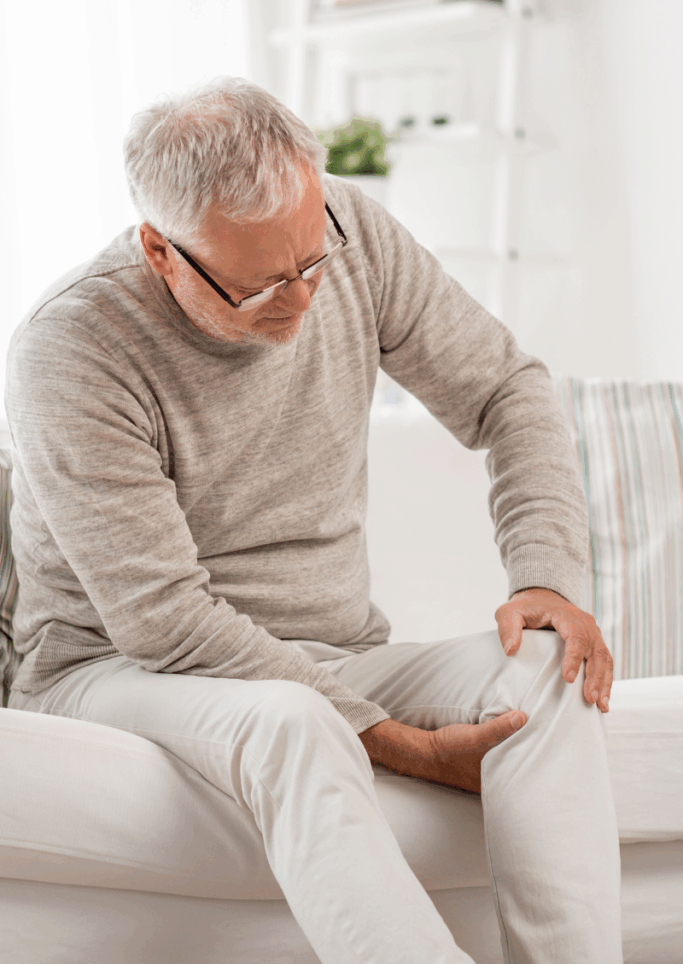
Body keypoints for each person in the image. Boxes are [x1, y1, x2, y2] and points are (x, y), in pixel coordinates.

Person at [5, 77, 621, 964]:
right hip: (112, 668)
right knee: (291, 720)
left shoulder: (345, 228)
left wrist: (544, 580)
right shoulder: (70, 349)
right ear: (160, 250)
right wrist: (398, 744)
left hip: (333, 649)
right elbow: (163, 621)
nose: (301, 302)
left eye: (310, 263)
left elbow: (506, 388)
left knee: (551, 669)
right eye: (258, 289)